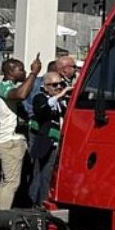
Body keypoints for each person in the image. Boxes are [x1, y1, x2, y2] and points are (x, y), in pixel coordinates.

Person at [0, 56, 40, 209]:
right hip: (8, 140)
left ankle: (4, 213)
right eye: (21, 69)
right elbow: (20, 94)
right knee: (11, 183)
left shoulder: (12, 85)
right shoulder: (4, 86)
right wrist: (33, 74)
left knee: (12, 182)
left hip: (15, 140)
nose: (24, 72)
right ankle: (1, 216)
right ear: (11, 71)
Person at [24, 63, 71, 206]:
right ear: (45, 87)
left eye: (61, 84)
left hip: (58, 142)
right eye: (54, 85)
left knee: (49, 175)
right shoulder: (40, 98)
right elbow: (42, 110)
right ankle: (37, 204)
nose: (58, 88)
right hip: (45, 142)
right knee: (40, 175)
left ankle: (45, 202)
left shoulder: (62, 102)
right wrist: (60, 95)